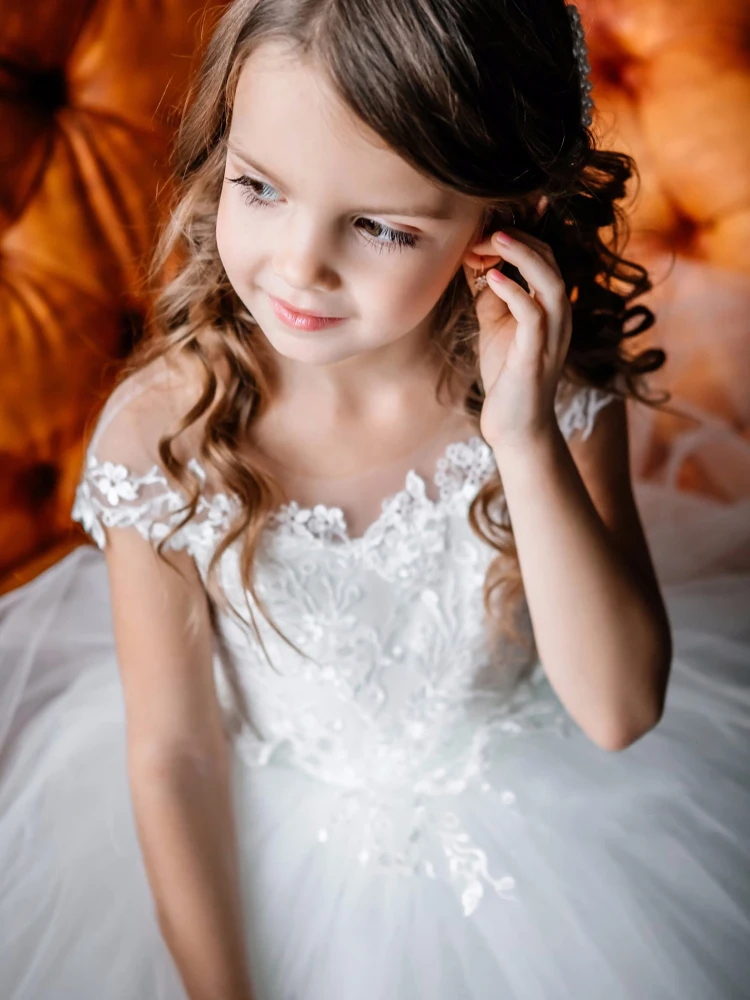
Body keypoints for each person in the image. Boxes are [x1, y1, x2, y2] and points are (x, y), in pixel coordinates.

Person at [1, 0, 749, 997]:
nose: (301, 264)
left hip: (539, 839)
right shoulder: (160, 435)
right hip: (250, 841)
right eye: (259, 187)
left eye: (382, 227)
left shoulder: (548, 394)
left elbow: (617, 711)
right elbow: (175, 754)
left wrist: (524, 436)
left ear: (496, 223)